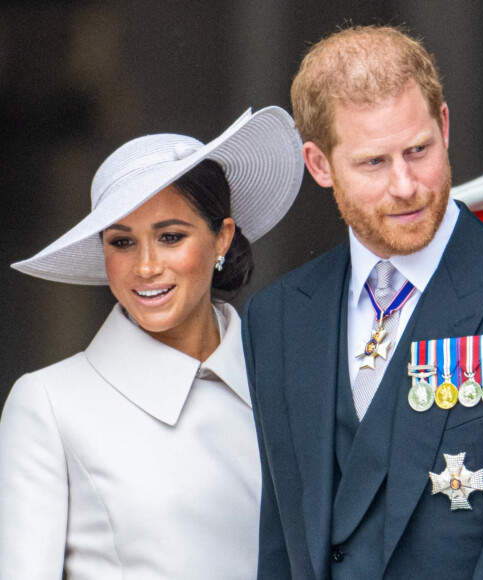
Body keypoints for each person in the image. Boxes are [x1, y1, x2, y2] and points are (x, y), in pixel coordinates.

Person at [242, 26, 483, 579]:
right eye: (374, 163)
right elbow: (282, 544)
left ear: (444, 126)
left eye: (418, 150)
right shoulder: (277, 316)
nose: (406, 185)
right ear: (320, 164)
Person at [0, 106, 303, 579]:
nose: (145, 266)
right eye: (122, 243)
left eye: (170, 236)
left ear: (222, 237)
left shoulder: (288, 382)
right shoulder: (48, 405)